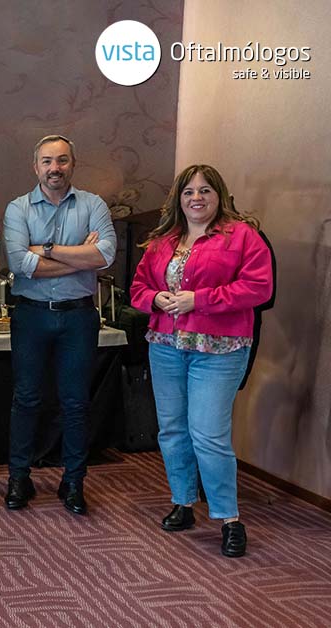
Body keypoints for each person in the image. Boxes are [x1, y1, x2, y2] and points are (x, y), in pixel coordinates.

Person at [130, 164, 272, 558]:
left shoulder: (242, 235)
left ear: (218, 195)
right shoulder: (162, 241)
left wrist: (200, 300)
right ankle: (183, 502)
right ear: (179, 199)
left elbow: (259, 288)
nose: (197, 198)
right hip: (166, 345)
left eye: (205, 190)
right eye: (189, 191)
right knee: (173, 429)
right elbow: (138, 287)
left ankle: (229, 518)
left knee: (208, 433)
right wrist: (155, 298)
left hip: (220, 349)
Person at [2, 134, 116, 515]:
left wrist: (47, 250)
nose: (55, 168)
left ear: (73, 164)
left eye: (62, 160)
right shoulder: (18, 208)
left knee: (76, 403)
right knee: (26, 399)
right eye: (48, 161)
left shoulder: (93, 204)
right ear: (35, 167)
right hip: (31, 315)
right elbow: (20, 264)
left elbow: (105, 255)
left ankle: (74, 481)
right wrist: (80, 256)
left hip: (78, 316)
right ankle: (19, 478)